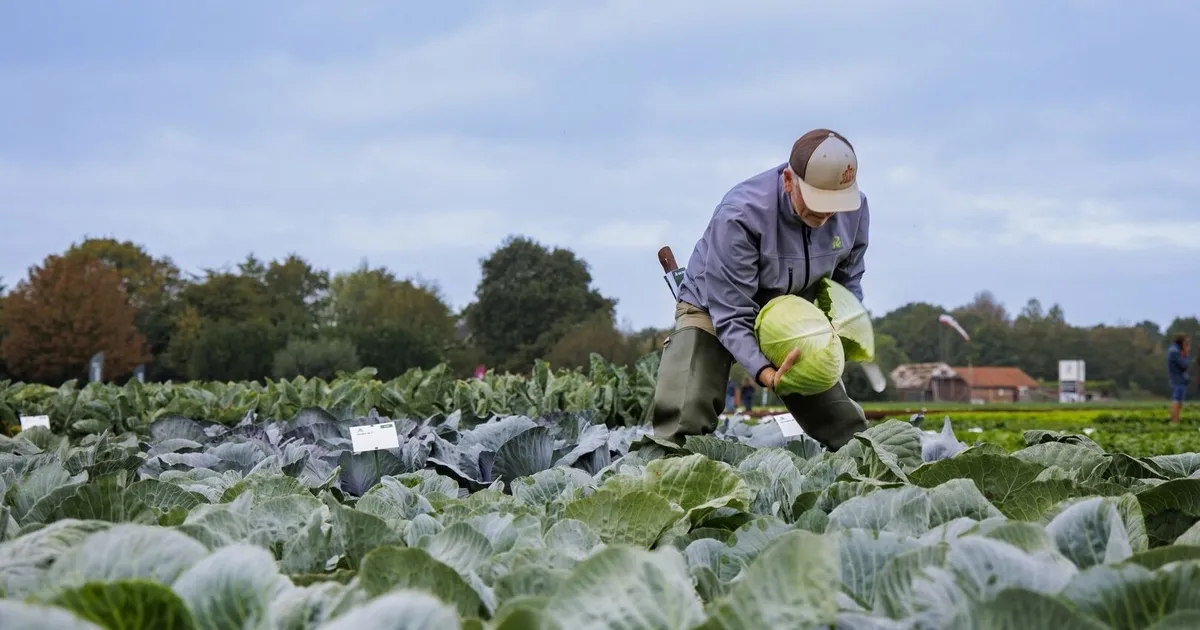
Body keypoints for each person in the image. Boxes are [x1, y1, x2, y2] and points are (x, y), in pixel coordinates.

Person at [652, 128, 870, 449]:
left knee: (843, 425)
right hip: (713, 307)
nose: (826, 213)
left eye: (835, 203)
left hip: (790, 315)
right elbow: (731, 312)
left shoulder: (855, 210)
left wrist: (839, 325)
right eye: (817, 200)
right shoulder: (741, 216)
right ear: (788, 181)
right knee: (687, 412)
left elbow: (847, 280)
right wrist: (767, 374)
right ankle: (668, 476)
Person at [1168, 334, 1190, 424]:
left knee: (1178, 400)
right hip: (1178, 379)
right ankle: (1175, 420)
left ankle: (1176, 420)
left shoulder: (1174, 350)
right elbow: (1184, 365)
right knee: (1177, 400)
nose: (1187, 344)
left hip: (1178, 379)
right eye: (1186, 342)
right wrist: (1186, 354)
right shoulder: (1175, 351)